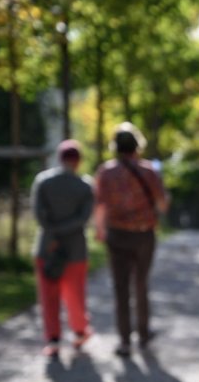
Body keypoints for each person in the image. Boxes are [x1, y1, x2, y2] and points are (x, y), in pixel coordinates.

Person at [94, 122, 169, 356]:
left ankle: (124, 340)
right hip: (144, 234)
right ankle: (144, 334)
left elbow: (100, 206)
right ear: (138, 145)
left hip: (116, 235)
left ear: (115, 147)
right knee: (141, 284)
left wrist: (99, 230)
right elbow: (163, 204)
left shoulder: (105, 172)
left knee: (120, 288)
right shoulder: (149, 171)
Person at [30, 139, 94, 358]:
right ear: (79, 161)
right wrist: (64, 230)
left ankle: (53, 340)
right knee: (75, 295)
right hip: (75, 248)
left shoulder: (43, 181)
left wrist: (53, 232)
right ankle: (79, 332)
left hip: (46, 247)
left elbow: (39, 214)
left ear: (59, 158)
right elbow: (83, 218)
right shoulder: (85, 186)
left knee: (48, 296)